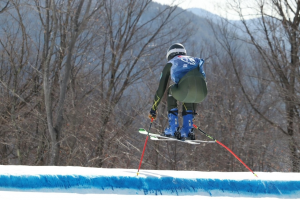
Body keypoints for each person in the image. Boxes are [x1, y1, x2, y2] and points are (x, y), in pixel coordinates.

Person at [148, 43, 207, 141]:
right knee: (188, 91)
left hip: (187, 90)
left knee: (172, 89)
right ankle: (188, 129)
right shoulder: (195, 60)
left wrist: (153, 109)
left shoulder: (171, 62)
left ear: (170, 55)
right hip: (202, 93)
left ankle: (173, 128)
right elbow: (196, 89)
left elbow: (161, 89)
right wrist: (193, 112)